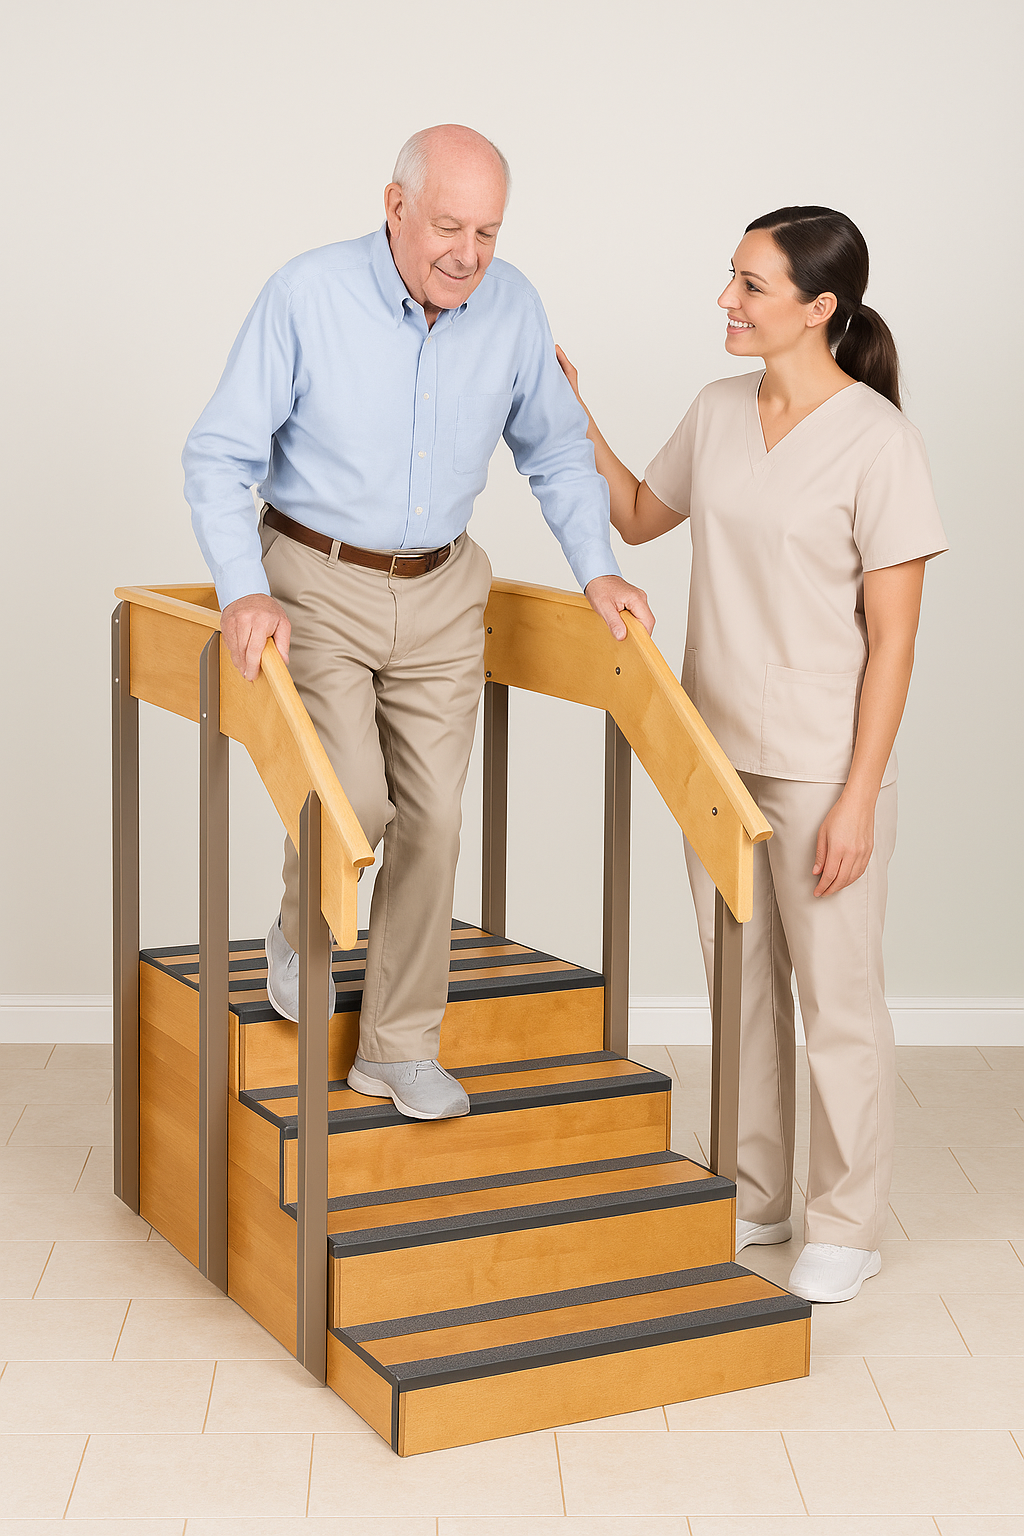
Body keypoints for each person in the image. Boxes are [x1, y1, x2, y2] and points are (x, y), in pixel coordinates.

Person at [182, 125, 653, 1123]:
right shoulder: (306, 293)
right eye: (448, 225)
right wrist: (241, 589)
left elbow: (558, 452)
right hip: (313, 579)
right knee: (351, 797)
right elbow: (219, 454)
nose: (469, 254)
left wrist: (598, 572)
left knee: (434, 818)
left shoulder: (513, 305)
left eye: (487, 230)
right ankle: (299, 933)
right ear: (393, 207)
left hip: (444, 590)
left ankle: (396, 1046)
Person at [557, 206, 947, 1303]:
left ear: (818, 310)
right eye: (729, 277)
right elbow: (636, 516)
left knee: (838, 997)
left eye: (750, 285)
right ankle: (761, 1189)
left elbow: (896, 641)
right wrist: (570, 410)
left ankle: (846, 1218)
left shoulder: (879, 441)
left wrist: (858, 798)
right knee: (743, 990)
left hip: (827, 762)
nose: (725, 300)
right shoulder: (718, 410)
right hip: (714, 752)